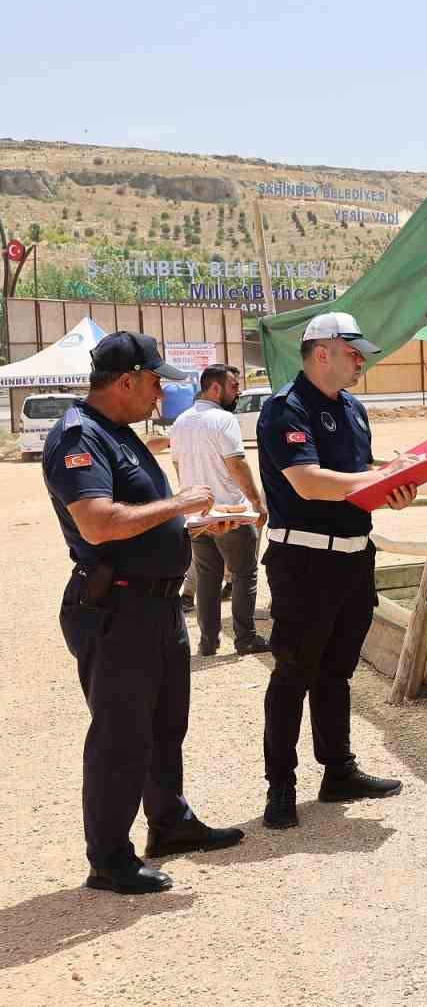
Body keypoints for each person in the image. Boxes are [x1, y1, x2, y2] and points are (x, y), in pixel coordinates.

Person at [42, 331, 245, 894]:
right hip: (117, 606)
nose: (162, 394)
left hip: (154, 605)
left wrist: (195, 524)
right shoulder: (80, 436)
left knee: (163, 726)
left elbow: (140, 518)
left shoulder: (120, 435)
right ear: (127, 380)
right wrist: (181, 503)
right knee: (121, 735)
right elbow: (98, 522)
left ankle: (169, 823)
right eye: (157, 382)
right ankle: (109, 858)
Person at [257, 312, 418, 830]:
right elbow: (306, 482)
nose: (362, 362)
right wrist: (371, 478)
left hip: (353, 554)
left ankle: (338, 770)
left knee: (336, 673)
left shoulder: (354, 409)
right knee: (293, 675)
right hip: (304, 559)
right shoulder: (286, 409)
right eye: (354, 353)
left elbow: (354, 481)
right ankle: (281, 785)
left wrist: (390, 489)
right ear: (321, 351)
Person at [171, 363, 269, 657]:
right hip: (231, 513)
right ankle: (245, 639)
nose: (237, 392)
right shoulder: (223, 420)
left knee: (208, 577)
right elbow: (236, 464)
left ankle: (208, 642)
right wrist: (256, 501)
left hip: (197, 515)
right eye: (234, 387)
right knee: (243, 574)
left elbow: (178, 464)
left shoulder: (180, 421)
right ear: (215, 387)